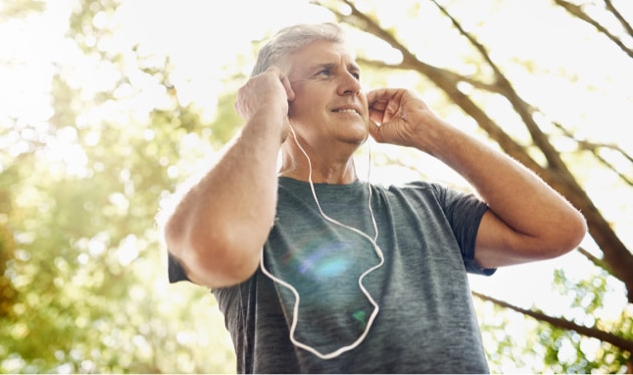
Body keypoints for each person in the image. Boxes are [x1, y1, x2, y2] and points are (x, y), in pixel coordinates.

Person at [164, 22, 587, 373]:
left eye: (355, 73)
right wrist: (264, 116)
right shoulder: (247, 209)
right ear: (279, 94)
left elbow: (558, 231)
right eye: (325, 73)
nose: (351, 85)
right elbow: (212, 248)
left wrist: (431, 132)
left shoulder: (430, 206)